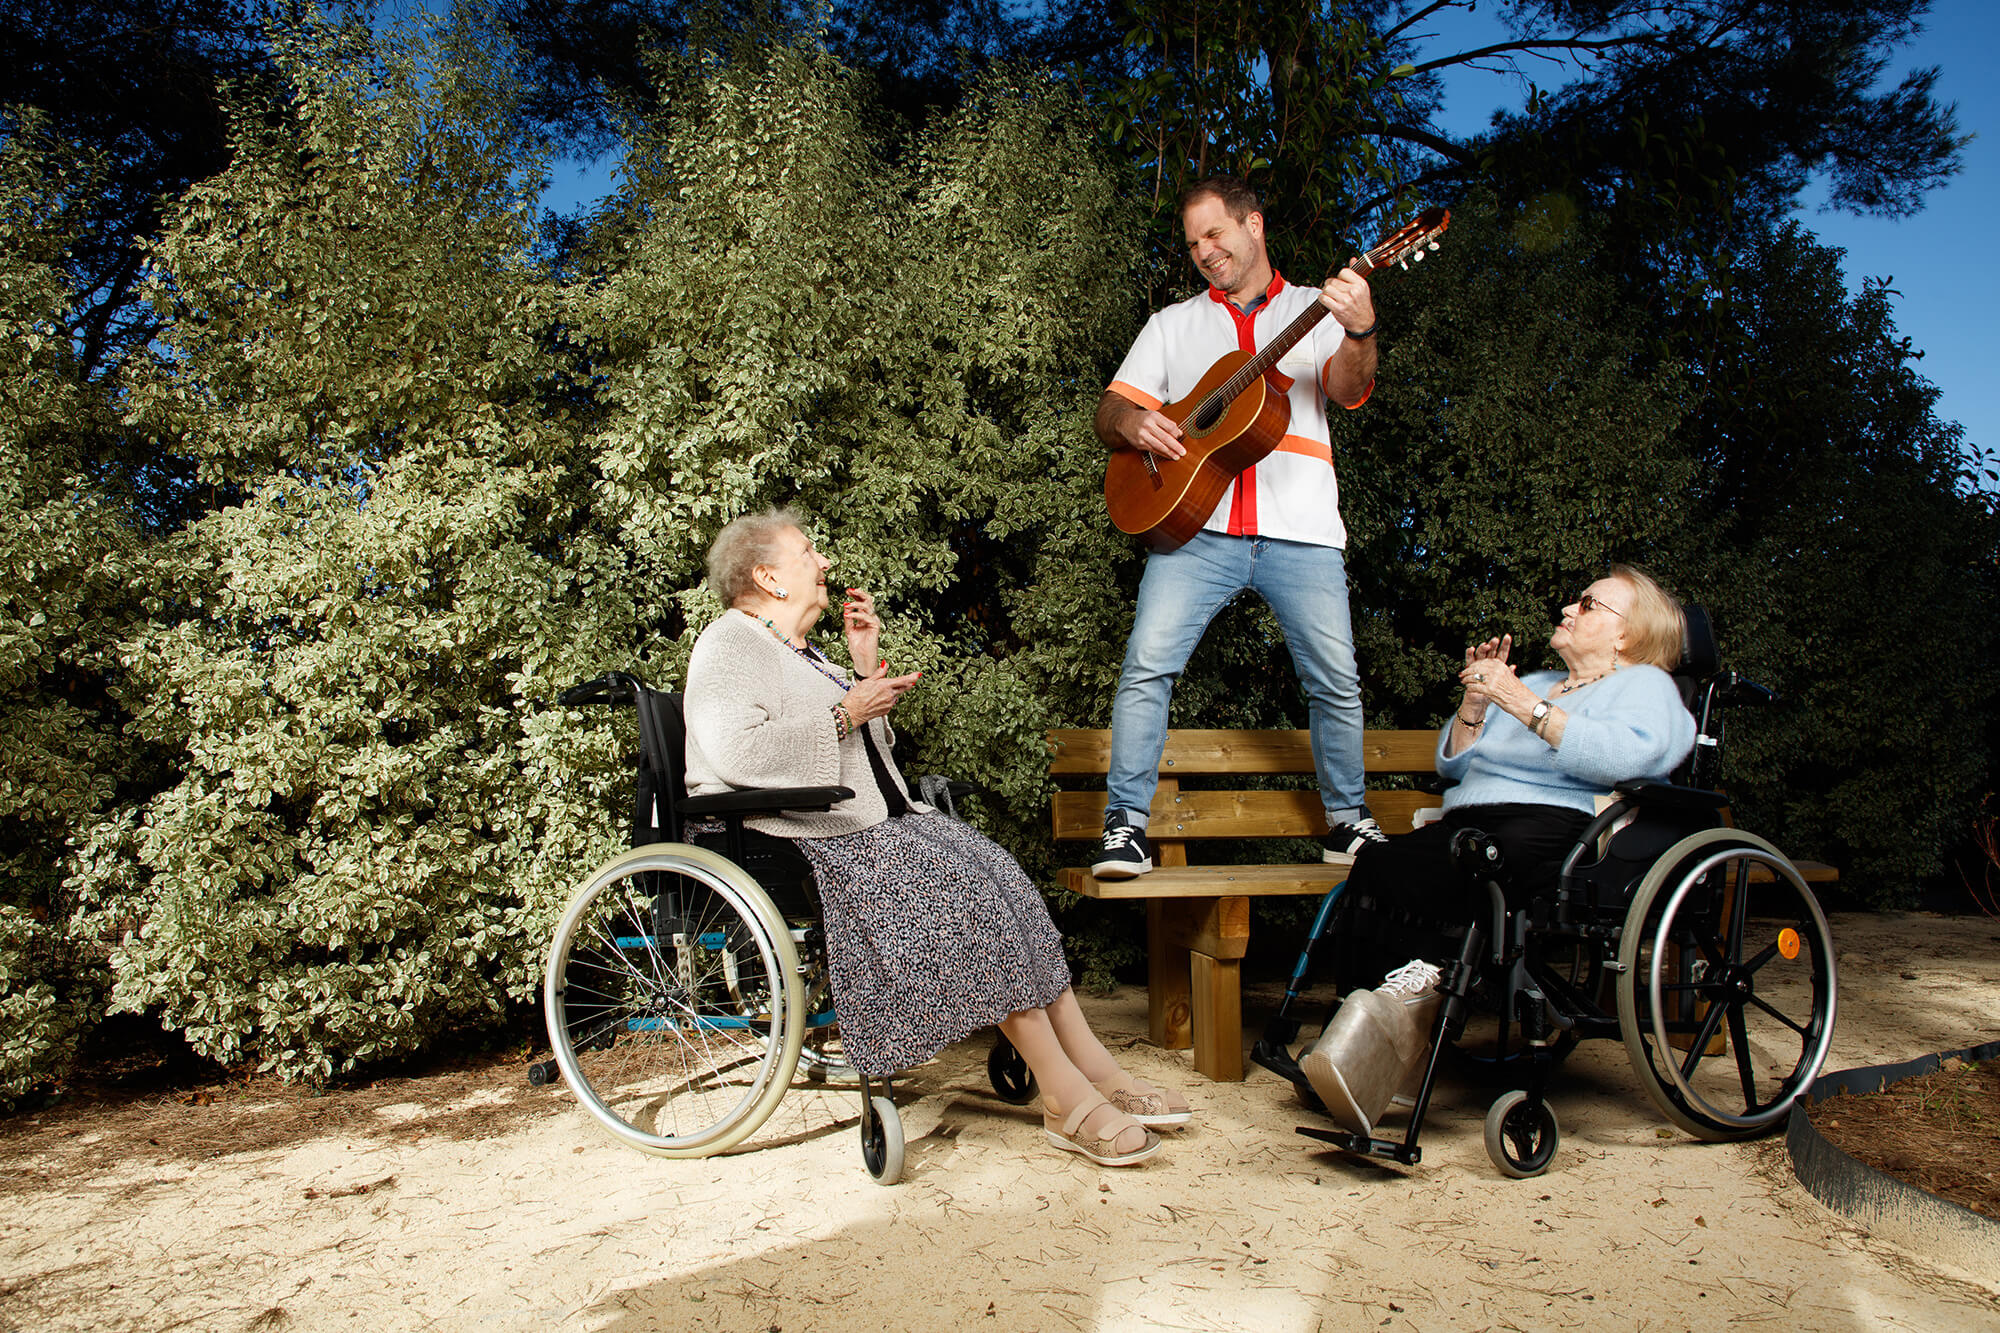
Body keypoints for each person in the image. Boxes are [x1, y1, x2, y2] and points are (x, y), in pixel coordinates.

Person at [682, 507, 1190, 1168]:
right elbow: (736, 751)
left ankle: (1097, 1068)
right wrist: (847, 708)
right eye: (809, 551)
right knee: (954, 894)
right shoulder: (729, 644)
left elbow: (865, 750)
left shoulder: (802, 653)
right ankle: (1066, 1097)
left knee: (998, 873)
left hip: (857, 824)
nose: (825, 562)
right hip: (792, 836)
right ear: (768, 576)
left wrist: (861, 675)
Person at [1299, 565, 1699, 1136]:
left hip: (1558, 825)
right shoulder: (1537, 680)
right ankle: (1354, 1043)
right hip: (1474, 817)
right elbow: (1454, 764)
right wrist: (1476, 704)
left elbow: (1630, 760)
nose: (1567, 609)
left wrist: (1518, 701)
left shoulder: (1645, 687)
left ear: (1626, 636)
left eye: (1587, 605)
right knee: (1380, 864)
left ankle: (1396, 1028)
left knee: (1472, 861)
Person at [1091, 174, 1382, 879]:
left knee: (1335, 680)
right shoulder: (1172, 325)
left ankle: (1347, 822)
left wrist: (1361, 327)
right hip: (1197, 528)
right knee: (1147, 668)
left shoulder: (1319, 306)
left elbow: (1347, 389)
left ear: (1254, 224)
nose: (1204, 251)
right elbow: (1109, 413)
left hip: (1302, 528)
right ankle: (1124, 827)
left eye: (1215, 233)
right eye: (1193, 242)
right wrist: (1135, 421)